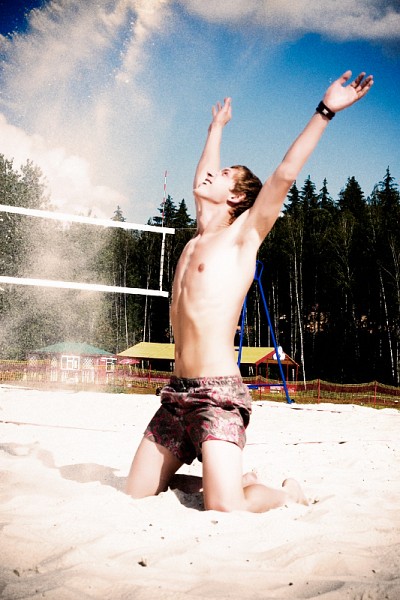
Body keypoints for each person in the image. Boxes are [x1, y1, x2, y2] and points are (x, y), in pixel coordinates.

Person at [125, 70, 373, 512]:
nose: (209, 175)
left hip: (218, 394)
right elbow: (202, 176)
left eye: (223, 174)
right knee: (136, 493)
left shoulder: (243, 237)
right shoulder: (197, 237)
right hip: (176, 393)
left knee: (225, 509)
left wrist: (325, 111)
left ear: (237, 197)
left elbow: (285, 175)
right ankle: (230, 478)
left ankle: (285, 493)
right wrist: (215, 129)